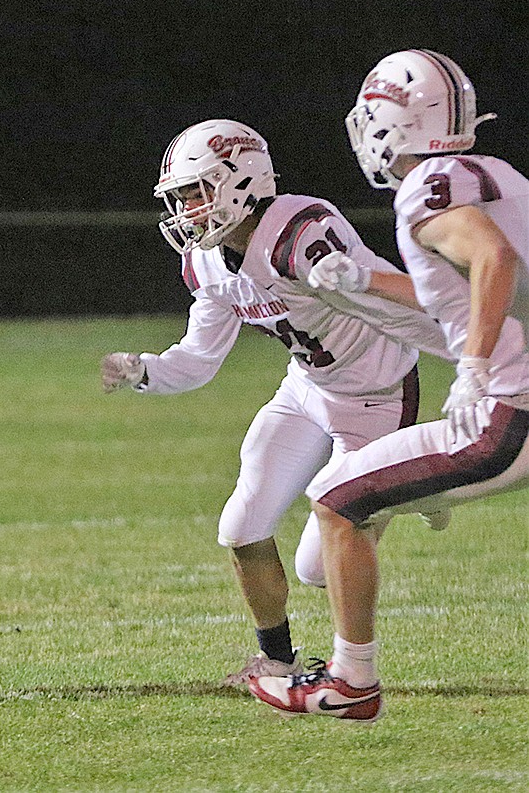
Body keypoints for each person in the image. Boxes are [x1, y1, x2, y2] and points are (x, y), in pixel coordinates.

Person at [101, 119, 451, 687]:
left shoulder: (301, 233)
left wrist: (479, 353)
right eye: (181, 198)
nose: (187, 211)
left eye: (197, 193)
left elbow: (395, 304)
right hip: (307, 389)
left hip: (376, 396)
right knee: (241, 524)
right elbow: (199, 356)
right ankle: (277, 660)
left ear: (241, 181)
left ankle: (421, 479)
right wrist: (146, 371)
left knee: (318, 567)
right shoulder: (209, 263)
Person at [249, 49, 529, 723]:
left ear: (390, 123)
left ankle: (350, 681)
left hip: (511, 408)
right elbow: (467, 289)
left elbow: (494, 257)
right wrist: (365, 280)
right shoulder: (498, 175)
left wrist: (477, 365)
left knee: (338, 500)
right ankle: (420, 492)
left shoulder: (426, 187)